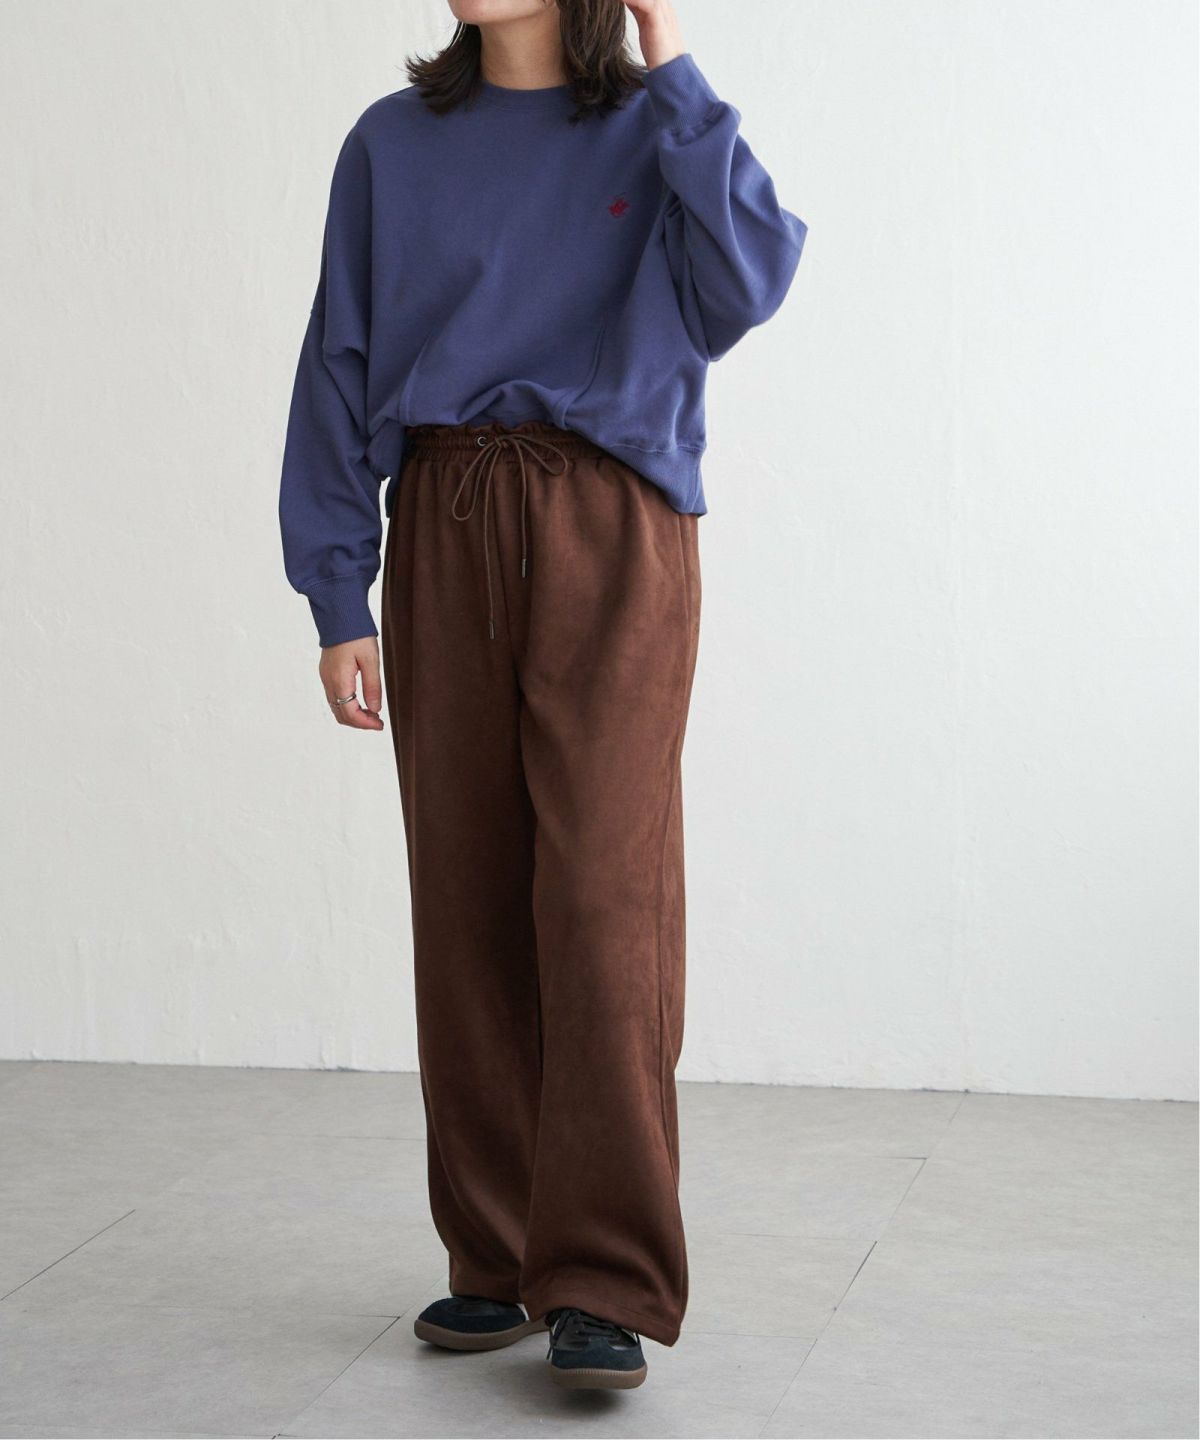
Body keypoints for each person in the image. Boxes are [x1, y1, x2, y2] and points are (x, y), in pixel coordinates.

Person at [278, 0, 806, 1393]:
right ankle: (499, 1252)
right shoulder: (391, 145)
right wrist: (339, 592)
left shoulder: (654, 127)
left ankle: (606, 1275)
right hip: (445, 518)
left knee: (602, 898)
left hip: (611, 528)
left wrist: (667, 47)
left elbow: (752, 275)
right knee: (464, 891)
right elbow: (337, 361)